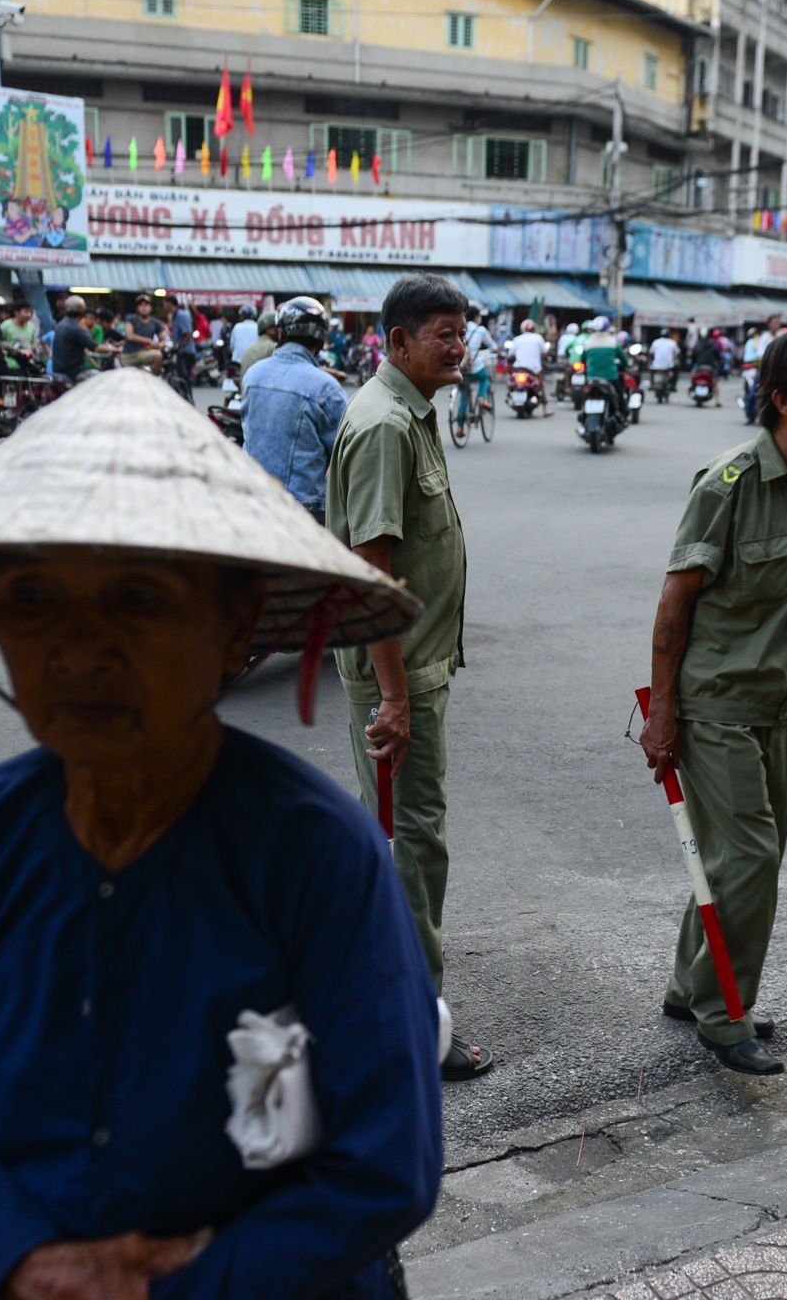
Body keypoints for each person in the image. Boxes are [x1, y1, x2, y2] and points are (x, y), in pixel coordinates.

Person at [0, 371, 441, 1300]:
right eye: (31, 603)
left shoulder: (315, 849)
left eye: (139, 600)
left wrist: (179, 1285)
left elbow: (385, 1162)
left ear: (239, 630)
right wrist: (17, 1258)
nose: (77, 651)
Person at [637, 323, 787, 1077]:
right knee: (750, 860)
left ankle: (690, 985)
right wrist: (663, 714)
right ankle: (722, 1012)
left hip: (779, 709)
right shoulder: (729, 484)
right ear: (783, 401)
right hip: (717, 706)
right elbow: (674, 606)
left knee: (734, 860)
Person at [326, 273, 491, 1081]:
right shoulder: (386, 425)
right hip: (399, 676)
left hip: (416, 666)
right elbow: (371, 569)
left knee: (405, 840)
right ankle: (412, 1024)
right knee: (412, 846)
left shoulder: (414, 413)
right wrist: (393, 694)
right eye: (441, 334)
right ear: (396, 343)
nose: (457, 346)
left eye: (461, 332)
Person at [242, 297, 345, 523]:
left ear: (281, 333)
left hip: (253, 500)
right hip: (305, 511)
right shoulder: (326, 388)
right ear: (320, 341)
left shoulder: (253, 375)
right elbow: (345, 453)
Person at [49, 295, 104, 383]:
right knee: (102, 379)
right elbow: (97, 347)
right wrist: (116, 349)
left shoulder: (60, 325)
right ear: (82, 312)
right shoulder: (76, 328)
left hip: (58, 369)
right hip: (74, 371)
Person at [119, 295, 166, 372]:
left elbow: (163, 341)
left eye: (146, 305)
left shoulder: (155, 323)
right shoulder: (131, 318)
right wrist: (149, 341)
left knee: (158, 355)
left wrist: (157, 345)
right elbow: (130, 336)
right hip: (129, 355)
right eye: (141, 305)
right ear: (137, 308)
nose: (144, 307)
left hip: (144, 353)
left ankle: (154, 379)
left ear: (151, 308)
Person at [239, 309, 281, 375]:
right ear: (269, 329)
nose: (280, 330)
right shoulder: (274, 347)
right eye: (278, 327)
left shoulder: (248, 349)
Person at [646, 328, 677, 396]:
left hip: (657, 365)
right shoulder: (672, 342)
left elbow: (651, 353)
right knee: (676, 368)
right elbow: (676, 353)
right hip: (668, 365)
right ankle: (673, 386)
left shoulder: (656, 342)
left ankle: (652, 384)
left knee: (652, 370)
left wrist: (650, 362)